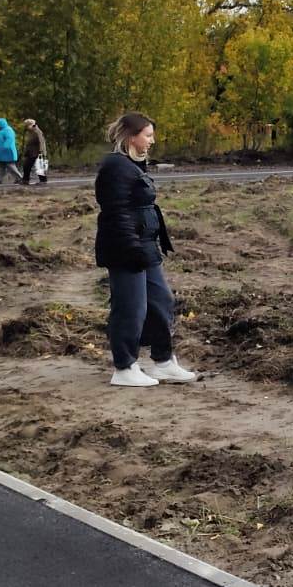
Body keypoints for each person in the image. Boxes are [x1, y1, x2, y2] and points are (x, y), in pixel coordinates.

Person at [94, 112, 198, 388]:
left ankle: (163, 362)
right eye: (148, 135)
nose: (152, 141)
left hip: (146, 247)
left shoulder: (133, 165)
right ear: (132, 136)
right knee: (131, 308)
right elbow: (116, 212)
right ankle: (125, 367)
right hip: (125, 249)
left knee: (161, 301)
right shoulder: (115, 167)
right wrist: (132, 247)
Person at [0, 117, 22, 185]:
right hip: (0, 153)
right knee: (1, 167)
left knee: (10, 166)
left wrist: (5, 147)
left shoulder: (8, 130)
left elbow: (9, 139)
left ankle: (20, 178)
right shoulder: (0, 131)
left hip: (7, 152)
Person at [20, 118, 48, 185]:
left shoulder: (37, 132)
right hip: (31, 152)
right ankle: (25, 180)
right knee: (26, 166)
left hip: (38, 152)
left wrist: (42, 152)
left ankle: (43, 181)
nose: (26, 127)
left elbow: (42, 142)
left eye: (26, 126)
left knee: (39, 166)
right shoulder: (30, 132)